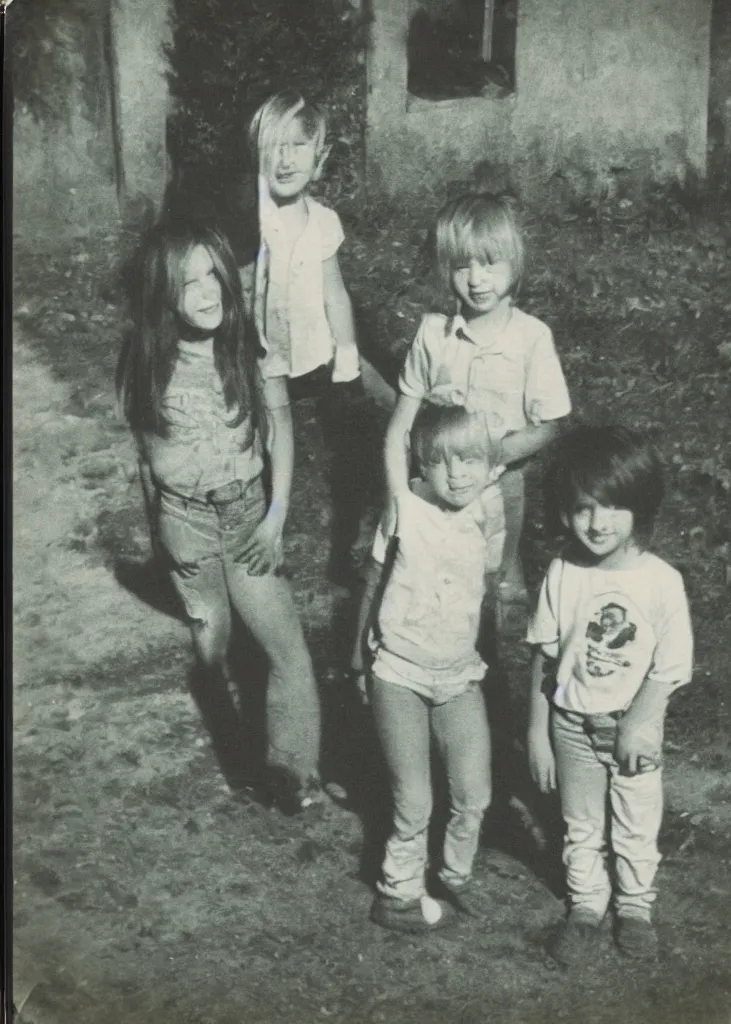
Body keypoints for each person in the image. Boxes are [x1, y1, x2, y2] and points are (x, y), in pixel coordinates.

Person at [117, 216, 327, 815]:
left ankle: (292, 773)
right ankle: (241, 765)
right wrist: (160, 531)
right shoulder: (146, 361)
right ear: (164, 294)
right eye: (190, 283)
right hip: (184, 524)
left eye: (215, 274)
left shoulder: (249, 346)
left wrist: (276, 515)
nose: (209, 292)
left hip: (247, 521)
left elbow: (282, 428)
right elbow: (145, 452)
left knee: (287, 651)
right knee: (213, 650)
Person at [526, 425, 693, 964]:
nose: (597, 524)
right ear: (562, 512)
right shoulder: (562, 572)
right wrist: (537, 730)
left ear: (640, 507)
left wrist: (641, 721)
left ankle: (636, 907)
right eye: (582, 509)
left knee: (636, 822)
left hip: (631, 726)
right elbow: (546, 657)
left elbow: (669, 667)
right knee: (580, 822)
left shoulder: (660, 581)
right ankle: (586, 905)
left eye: (613, 508)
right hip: (571, 725)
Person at [351, 404, 506, 932]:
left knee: (473, 792)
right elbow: (372, 583)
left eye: (469, 459)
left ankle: (454, 875)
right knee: (414, 799)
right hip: (399, 672)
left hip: (459, 674)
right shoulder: (405, 510)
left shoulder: (491, 515)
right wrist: (357, 659)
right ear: (421, 466)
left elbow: (485, 589)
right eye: (440, 462)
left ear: (490, 464)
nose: (457, 472)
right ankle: (397, 896)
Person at [384, 192, 571, 612]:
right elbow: (400, 425)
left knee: (490, 576)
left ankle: (497, 612)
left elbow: (549, 423)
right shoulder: (433, 336)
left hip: (501, 483)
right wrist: (399, 498)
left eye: (489, 263)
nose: (476, 279)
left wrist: (493, 454)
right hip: (434, 476)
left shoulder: (531, 338)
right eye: (462, 265)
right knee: (419, 577)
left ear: (515, 263)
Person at [240, 89, 379, 583]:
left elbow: (335, 294)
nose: (285, 159)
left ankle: (407, 460)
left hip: (316, 344)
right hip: (268, 352)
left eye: (298, 147)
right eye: (273, 147)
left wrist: (347, 355)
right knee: (276, 424)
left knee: (371, 400)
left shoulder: (323, 222)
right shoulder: (255, 220)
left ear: (318, 160)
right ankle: (275, 513)